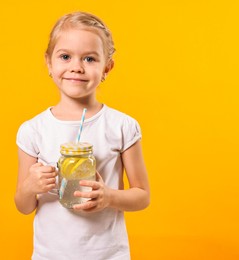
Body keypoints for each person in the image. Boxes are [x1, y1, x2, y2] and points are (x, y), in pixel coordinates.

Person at [15, 11, 150, 260]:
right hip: (50, 255)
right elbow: (23, 206)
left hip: (108, 254)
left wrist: (109, 197)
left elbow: (142, 196)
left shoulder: (122, 126)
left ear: (107, 67)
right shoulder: (32, 130)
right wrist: (29, 188)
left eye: (89, 59)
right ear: (49, 62)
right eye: (65, 56)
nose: (76, 67)